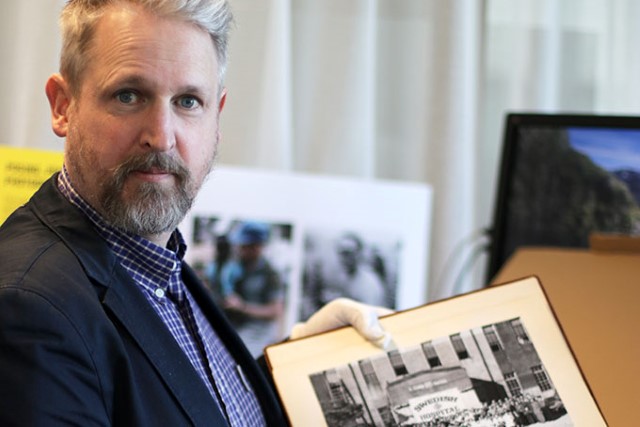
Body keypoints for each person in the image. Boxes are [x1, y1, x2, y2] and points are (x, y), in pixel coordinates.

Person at [0, 1, 392, 425]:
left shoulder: (155, 264)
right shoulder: (28, 306)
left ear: (216, 117)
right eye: (128, 95)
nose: (162, 137)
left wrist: (293, 370)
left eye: (188, 101)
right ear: (63, 105)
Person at [218, 221, 285, 357]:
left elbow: (275, 311)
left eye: (245, 246)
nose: (240, 249)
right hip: (236, 327)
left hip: (257, 333)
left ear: (257, 247)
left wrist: (242, 307)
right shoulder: (235, 266)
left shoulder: (270, 274)